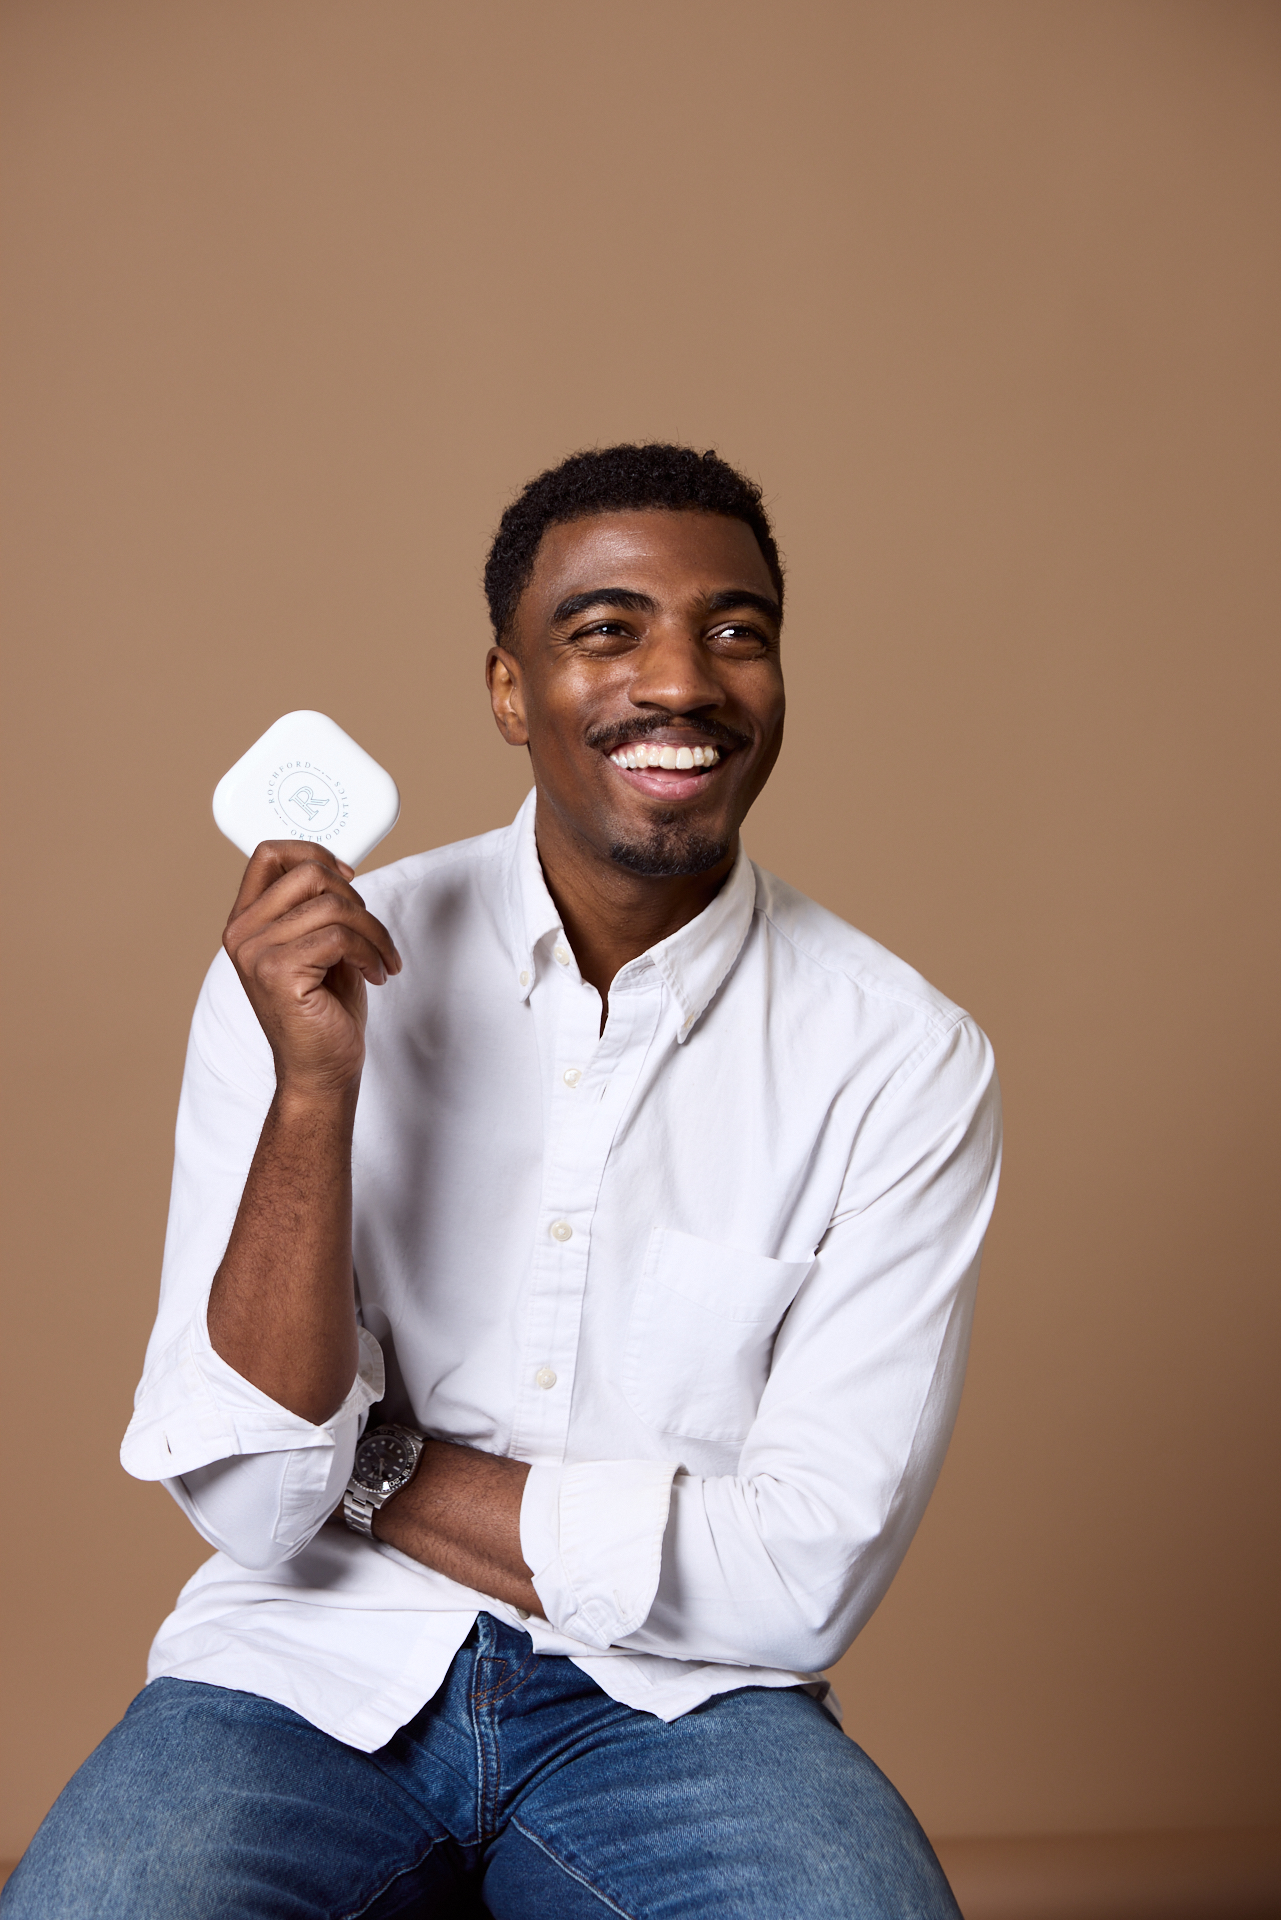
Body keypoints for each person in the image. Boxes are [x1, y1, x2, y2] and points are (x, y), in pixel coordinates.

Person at [6, 444, 1001, 1919]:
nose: (682, 680)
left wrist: (378, 1463)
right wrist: (314, 1084)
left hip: (677, 1707)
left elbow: (801, 1574)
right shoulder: (302, 971)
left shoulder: (900, 1056)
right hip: (299, 1673)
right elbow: (256, 1505)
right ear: (507, 690)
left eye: (736, 631)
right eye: (606, 630)